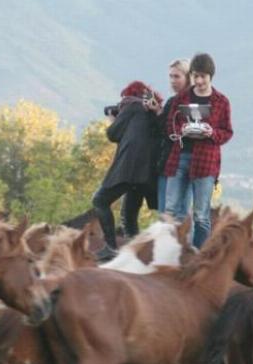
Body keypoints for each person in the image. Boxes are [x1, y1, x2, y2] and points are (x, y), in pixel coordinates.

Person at [163, 52, 233, 247]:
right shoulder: (181, 98)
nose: (199, 80)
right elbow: (170, 126)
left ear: (211, 76)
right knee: (171, 210)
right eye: (195, 76)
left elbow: (227, 132)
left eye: (203, 76)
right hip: (179, 158)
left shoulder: (221, 101)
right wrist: (182, 130)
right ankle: (174, 253)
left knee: (201, 215)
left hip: (206, 162)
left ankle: (197, 256)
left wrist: (211, 133)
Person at [92, 81, 163, 260]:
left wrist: (112, 119)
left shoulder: (132, 106)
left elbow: (113, 134)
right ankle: (135, 252)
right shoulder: (154, 112)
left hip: (129, 168)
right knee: (129, 214)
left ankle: (110, 247)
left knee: (100, 201)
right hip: (148, 174)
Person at [149, 58, 190, 215]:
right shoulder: (173, 101)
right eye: (171, 76)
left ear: (188, 77)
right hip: (167, 163)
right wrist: (159, 112)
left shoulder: (185, 102)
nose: (172, 81)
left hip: (178, 162)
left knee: (173, 213)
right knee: (169, 212)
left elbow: (170, 132)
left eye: (177, 77)